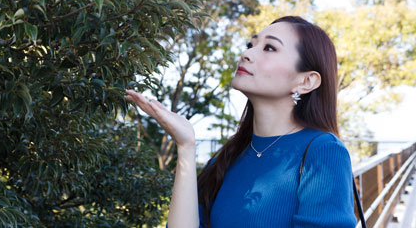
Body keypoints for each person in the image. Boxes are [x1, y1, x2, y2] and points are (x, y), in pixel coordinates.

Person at [125, 16, 357, 228]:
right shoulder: (226, 158)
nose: (247, 54)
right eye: (250, 45)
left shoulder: (323, 151)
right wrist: (186, 147)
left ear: (306, 81)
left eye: (269, 47)